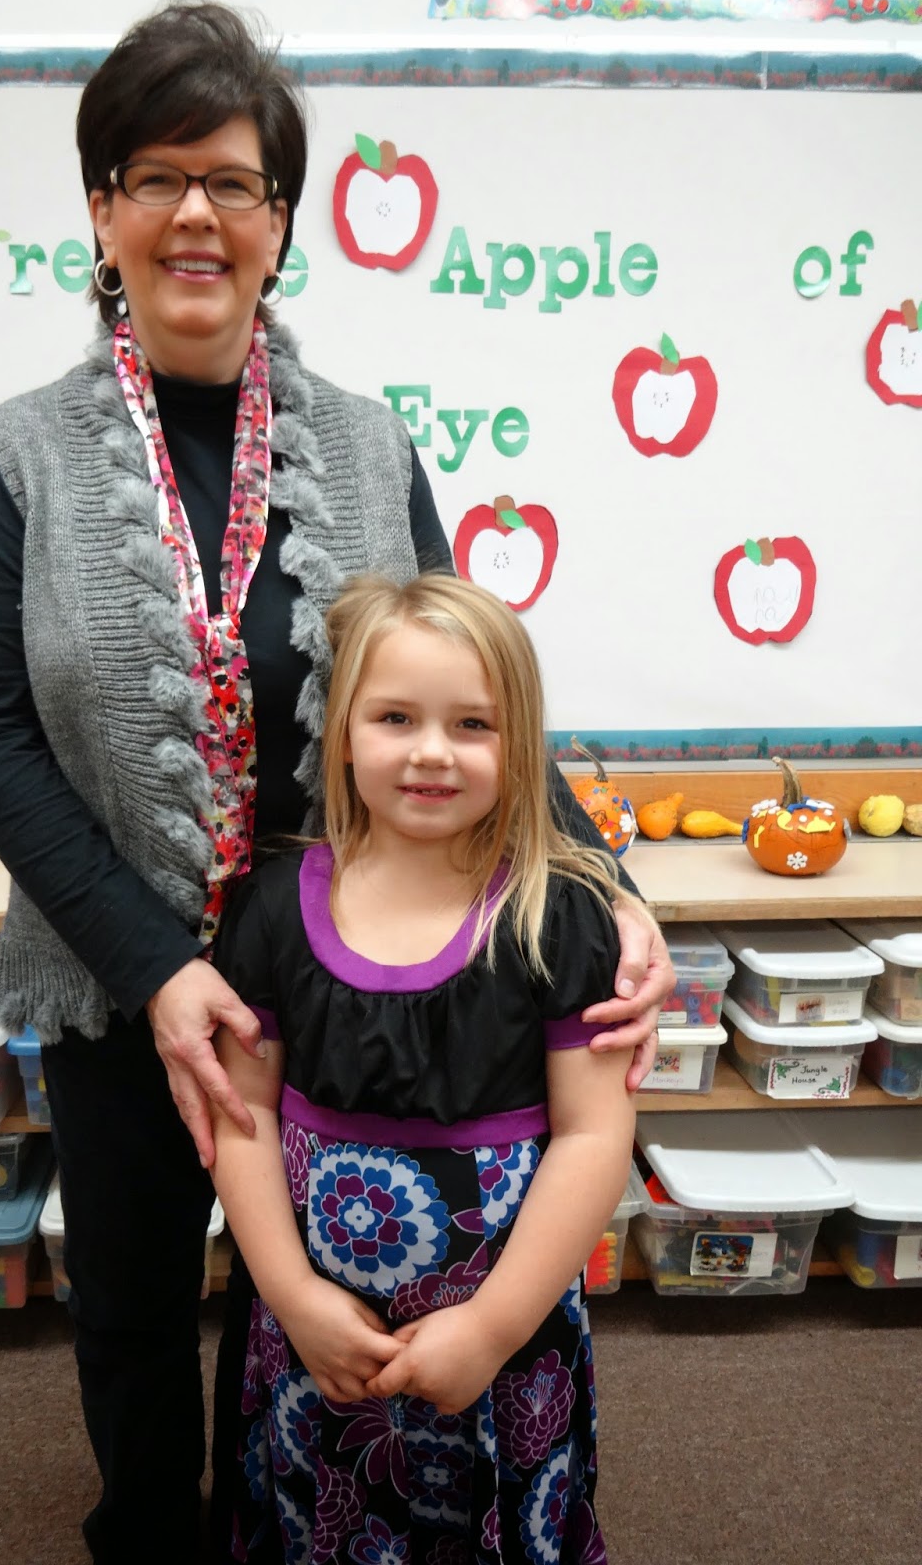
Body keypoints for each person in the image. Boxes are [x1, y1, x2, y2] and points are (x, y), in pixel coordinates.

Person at [0, 0, 671, 1565]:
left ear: (281, 222)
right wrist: (156, 971)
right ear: (102, 211)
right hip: (110, 971)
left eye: (234, 181)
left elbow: (470, 696)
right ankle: (154, 1530)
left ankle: (284, 1520)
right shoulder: (25, 453)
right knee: (134, 1301)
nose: (195, 214)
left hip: (344, 964)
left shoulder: (366, 442)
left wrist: (612, 892)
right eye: (155, 177)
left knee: (317, 1291)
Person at [210, 574, 641, 1562]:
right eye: (396, 717)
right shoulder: (272, 909)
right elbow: (243, 1116)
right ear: (343, 731)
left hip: (505, 1339)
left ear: (519, 744)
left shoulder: (559, 914)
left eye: (473, 724)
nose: (433, 751)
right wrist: (294, 1297)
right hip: (320, 1341)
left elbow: (594, 1133)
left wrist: (490, 1329)